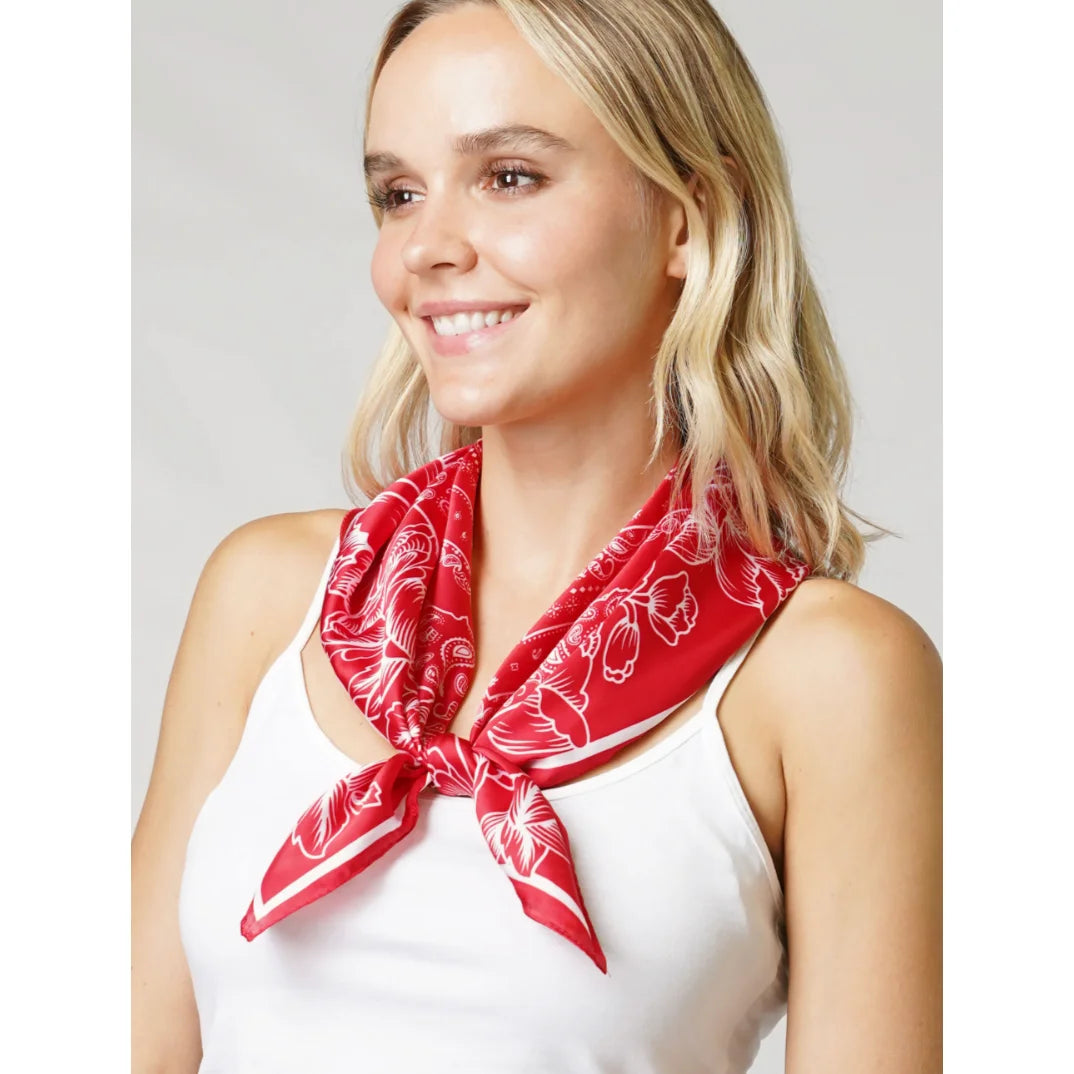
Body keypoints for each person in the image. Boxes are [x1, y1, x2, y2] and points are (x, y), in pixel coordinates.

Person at [131, 1, 941, 1071]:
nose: (427, 247)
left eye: (509, 176)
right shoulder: (271, 591)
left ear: (690, 218)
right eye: (398, 194)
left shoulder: (828, 673)